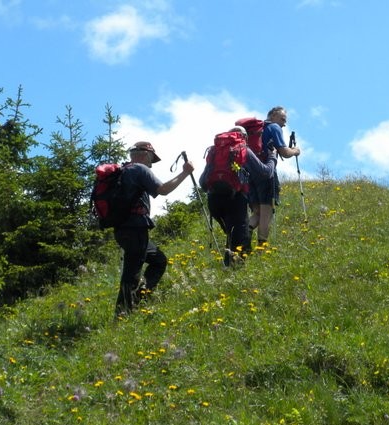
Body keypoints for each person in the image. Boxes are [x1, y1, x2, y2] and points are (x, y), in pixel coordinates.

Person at [113, 141, 194, 317]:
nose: (151, 163)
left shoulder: (122, 171)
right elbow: (163, 190)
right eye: (152, 159)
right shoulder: (140, 169)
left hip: (121, 229)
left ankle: (139, 298)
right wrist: (185, 173)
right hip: (136, 227)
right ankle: (122, 315)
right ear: (146, 154)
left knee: (158, 260)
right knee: (132, 272)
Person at [199, 126, 278, 266]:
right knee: (240, 238)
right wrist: (273, 157)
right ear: (244, 137)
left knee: (232, 233)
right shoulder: (243, 149)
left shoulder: (214, 151)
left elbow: (202, 182)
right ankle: (236, 271)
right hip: (235, 199)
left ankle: (229, 265)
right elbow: (266, 172)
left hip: (213, 202)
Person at [248, 106, 301, 246]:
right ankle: (261, 248)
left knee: (257, 213)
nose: (284, 123)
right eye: (282, 119)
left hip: (249, 174)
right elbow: (284, 152)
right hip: (266, 172)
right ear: (272, 116)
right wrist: (295, 151)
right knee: (267, 212)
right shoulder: (273, 128)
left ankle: (242, 235)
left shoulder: (255, 131)